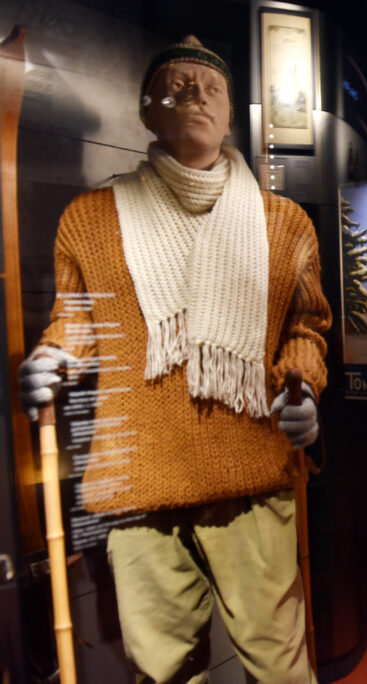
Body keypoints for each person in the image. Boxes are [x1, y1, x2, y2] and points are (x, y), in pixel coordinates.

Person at [18, 36, 330, 682]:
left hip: (253, 473)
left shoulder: (285, 223)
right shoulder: (91, 219)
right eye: (177, 86)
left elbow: (306, 326)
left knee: (280, 667)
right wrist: (51, 358)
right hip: (140, 482)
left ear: (232, 115)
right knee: (162, 672)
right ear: (146, 110)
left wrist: (301, 384)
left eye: (212, 88)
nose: (196, 96)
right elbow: (77, 322)